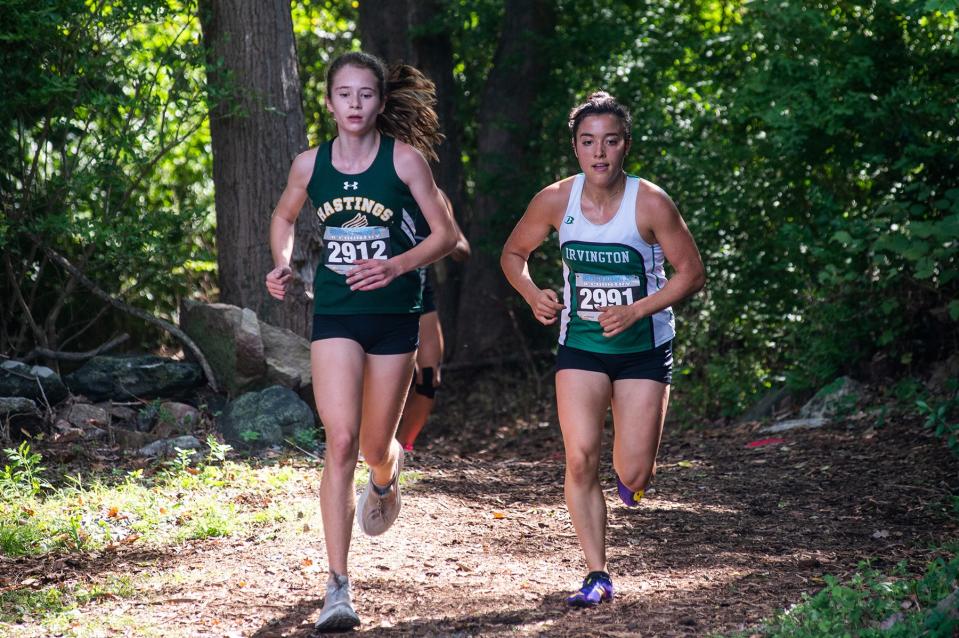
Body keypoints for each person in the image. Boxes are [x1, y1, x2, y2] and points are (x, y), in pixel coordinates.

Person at [265, 52, 455, 631]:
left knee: (374, 445)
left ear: (379, 102)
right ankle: (338, 587)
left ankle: (386, 471)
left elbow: (445, 235)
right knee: (340, 439)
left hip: (394, 318)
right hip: (338, 315)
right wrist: (281, 262)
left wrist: (396, 266)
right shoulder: (308, 165)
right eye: (343, 94)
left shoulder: (405, 162)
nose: (354, 104)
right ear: (328, 102)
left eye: (365, 95)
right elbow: (283, 218)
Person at [500, 91, 705, 607]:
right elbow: (513, 253)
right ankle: (596, 573)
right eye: (589, 142)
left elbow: (692, 273)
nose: (600, 153)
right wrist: (531, 293)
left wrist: (637, 309)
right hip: (582, 346)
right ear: (575, 148)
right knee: (579, 457)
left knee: (634, 472)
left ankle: (630, 481)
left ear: (625, 146)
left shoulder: (651, 202)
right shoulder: (555, 200)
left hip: (642, 349)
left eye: (610, 142)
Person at [396, 190, 470, 451]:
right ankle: (378, 447)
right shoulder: (381, 187)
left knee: (429, 376)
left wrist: (439, 244)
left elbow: (461, 246)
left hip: (420, 295)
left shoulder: (437, 196)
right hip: (384, 296)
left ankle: (405, 447)